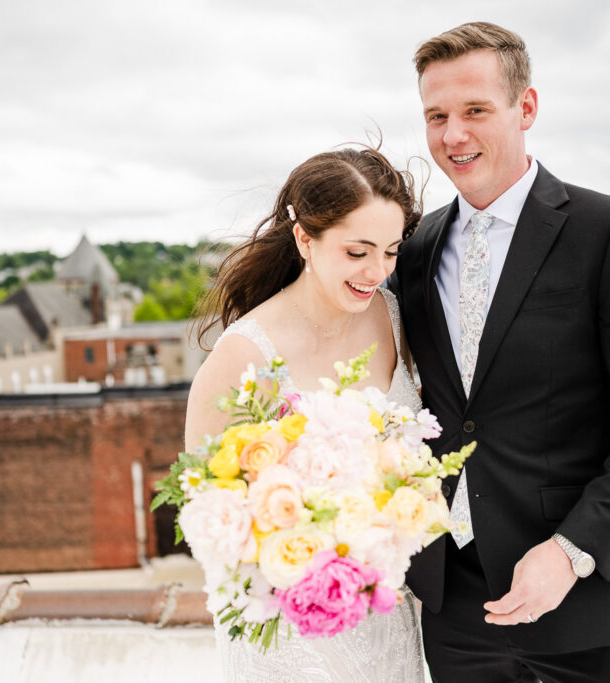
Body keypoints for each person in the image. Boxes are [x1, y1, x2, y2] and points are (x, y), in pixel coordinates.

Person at [389, 22, 610, 682]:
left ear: (525, 107)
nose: (453, 135)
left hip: (593, 605)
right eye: (436, 116)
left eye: (476, 110)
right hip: (456, 613)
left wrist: (570, 551)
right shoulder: (414, 252)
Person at [184, 146, 426, 681]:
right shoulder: (243, 354)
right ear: (304, 239)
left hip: (387, 613)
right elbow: (205, 507)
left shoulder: (394, 317)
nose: (377, 271)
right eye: (357, 252)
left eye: (391, 251)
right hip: (289, 630)